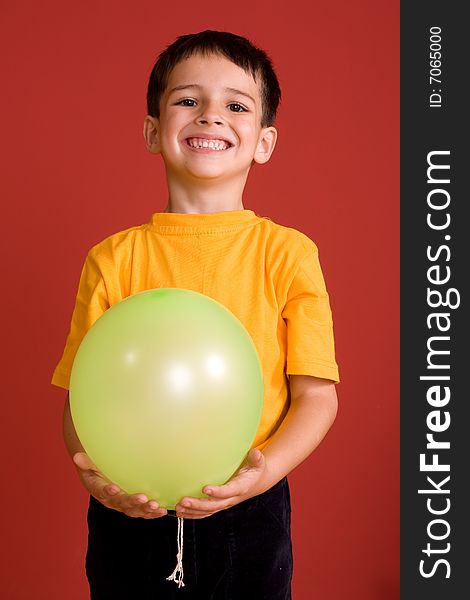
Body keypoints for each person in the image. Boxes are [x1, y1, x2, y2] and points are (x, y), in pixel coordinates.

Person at [52, 30, 340, 599]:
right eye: (188, 100)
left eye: (236, 105)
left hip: (249, 503)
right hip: (131, 506)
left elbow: (318, 396)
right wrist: (97, 476)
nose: (211, 117)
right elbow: (78, 399)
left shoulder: (287, 254)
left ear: (264, 141)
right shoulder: (113, 259)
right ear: (153, 131)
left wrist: (265, 474)